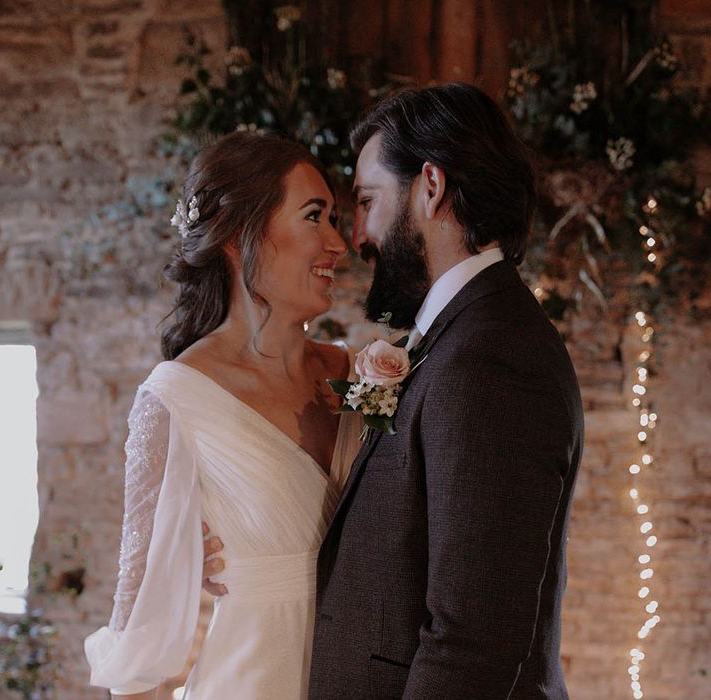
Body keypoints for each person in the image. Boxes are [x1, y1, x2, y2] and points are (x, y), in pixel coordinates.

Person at [204, 83, 584, 697]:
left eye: (366, 200)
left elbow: (474, 638)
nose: (357, 236)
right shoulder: (457, 338)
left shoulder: (492, 354)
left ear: (430, 187)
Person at [84, 131, 363, 699]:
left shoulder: (360, 375)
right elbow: (141, 636)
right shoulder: (178, 398)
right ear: (241, 235)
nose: (338, 242)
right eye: (315, 217)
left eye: (335, 218)